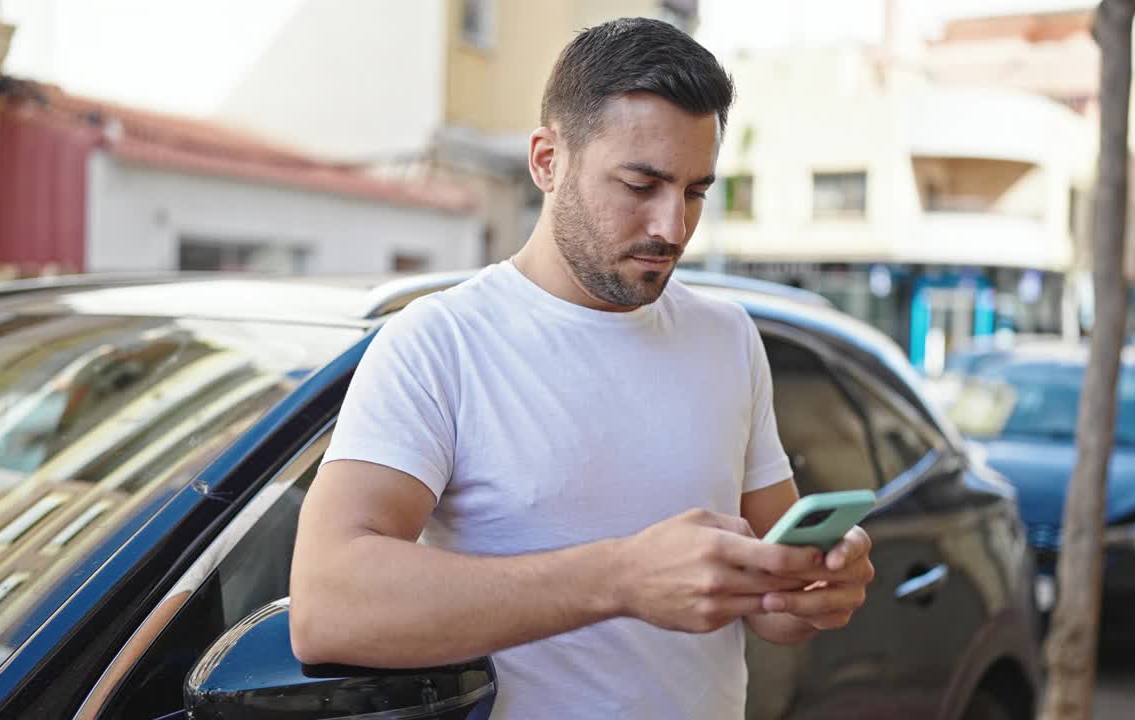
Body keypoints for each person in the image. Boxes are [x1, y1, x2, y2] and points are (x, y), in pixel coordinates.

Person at [289, 17, 874, 719]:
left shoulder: (728, 338)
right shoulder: (438, 343)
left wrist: (815, 591)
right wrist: (621, 578)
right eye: (640, 184)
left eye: (694, 192)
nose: (672, 228)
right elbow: (329, 605)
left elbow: (770, 602)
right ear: (547, 160)